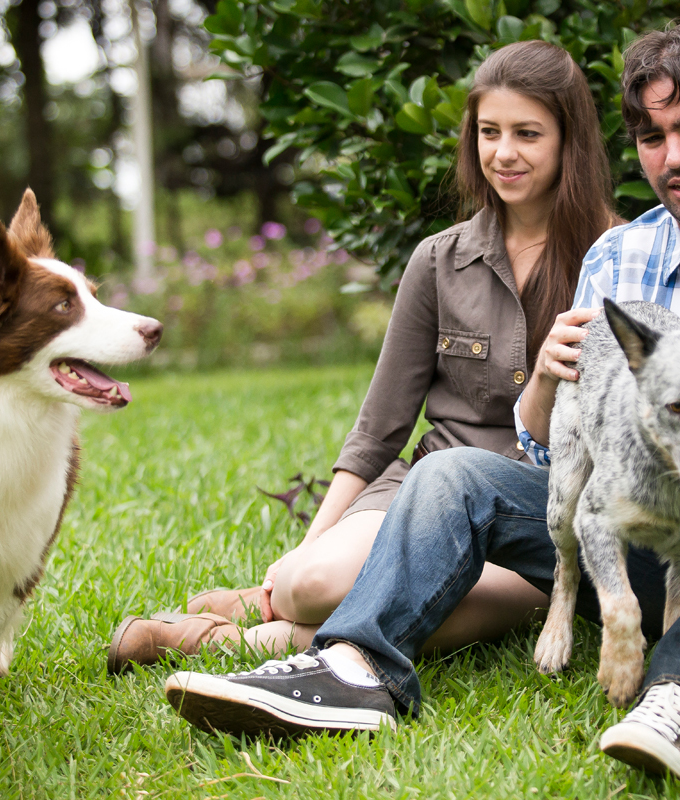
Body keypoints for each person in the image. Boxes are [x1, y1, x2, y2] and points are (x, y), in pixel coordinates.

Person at [161, 19, 680, 781]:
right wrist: (549, 384)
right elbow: (544, 451)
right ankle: (354, 668)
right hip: (670, 540)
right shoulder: (620, 257)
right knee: (455, 472)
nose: (674, 157)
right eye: (653, 139)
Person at [106, 40, 617, 672]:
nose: (503, 153)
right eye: (489, 132)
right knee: (307, 585)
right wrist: (307, 545)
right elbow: (380, 427)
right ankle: (273, 601)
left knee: (448, 600)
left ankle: (235, 640)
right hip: (427, 489)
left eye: (527, 133)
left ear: (570, 141)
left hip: (541, 520)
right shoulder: (439, 259)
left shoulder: (616, 260)